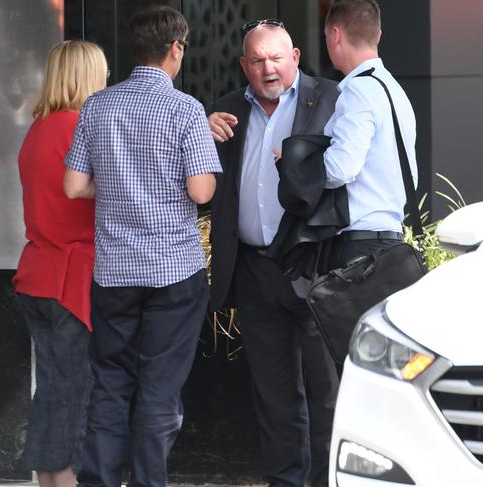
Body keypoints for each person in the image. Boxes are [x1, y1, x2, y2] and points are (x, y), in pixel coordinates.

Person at [63, 6, 222, 487]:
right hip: (174, 272)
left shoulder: (97, 106)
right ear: (176, 48)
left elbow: (73, 186)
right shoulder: (185, 110)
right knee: (158, 389)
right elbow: (201, 191)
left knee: (110, 384)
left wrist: (117, 187)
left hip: (114, 273)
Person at [207, 21, 340, 487]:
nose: (268, 68)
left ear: (297, 57)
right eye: (258, 60)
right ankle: (286, 481)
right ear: (244, 65)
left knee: (325, 392)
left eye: (277, 58)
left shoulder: (330, 99)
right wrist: (199, 135)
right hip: (253, 269)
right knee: (274, 393)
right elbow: (201, 190)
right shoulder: (222, 112)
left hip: (312, 265)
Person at [13, 40, 108, 487]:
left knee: (53, 391)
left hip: (38, 274)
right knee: (76, 395)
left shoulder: (38, 128)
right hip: (73, 278)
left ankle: (49, 479)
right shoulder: (80, 127)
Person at [322, 0, 418, 271]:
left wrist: (298, 164)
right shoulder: (394, 90)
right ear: (378, 35)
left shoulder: (358, 91)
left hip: (360, 248)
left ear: (335, 35)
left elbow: (340, 168)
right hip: (392, 243)